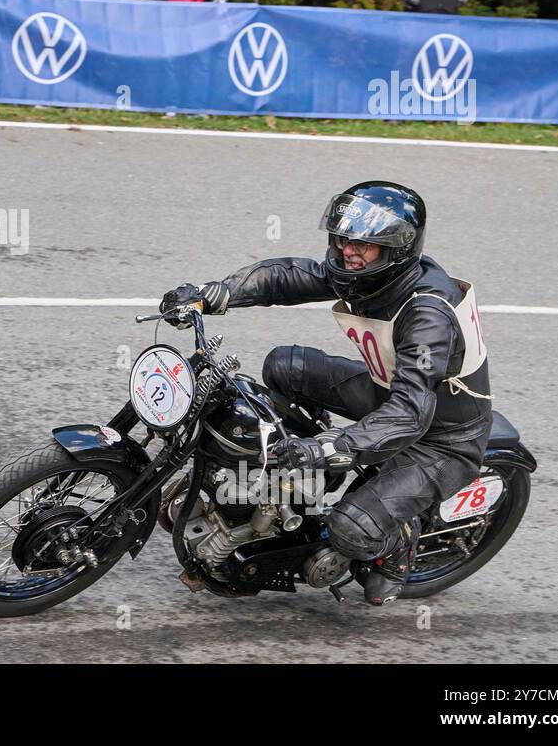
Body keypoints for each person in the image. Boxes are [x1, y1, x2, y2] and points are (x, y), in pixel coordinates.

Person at [160, 182, 492, 607]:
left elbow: (411, 413)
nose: (348, 251)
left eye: (364, 245)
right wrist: (215, 294)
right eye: (342, 239)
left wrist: (333, 445)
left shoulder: (427, 313)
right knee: (285, 365)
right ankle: (304, 479)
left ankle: (398, 542)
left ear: (395, 249)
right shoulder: (366, 273)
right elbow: (287, 277)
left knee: (349, 529)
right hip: (387, 390)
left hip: (441, 436)